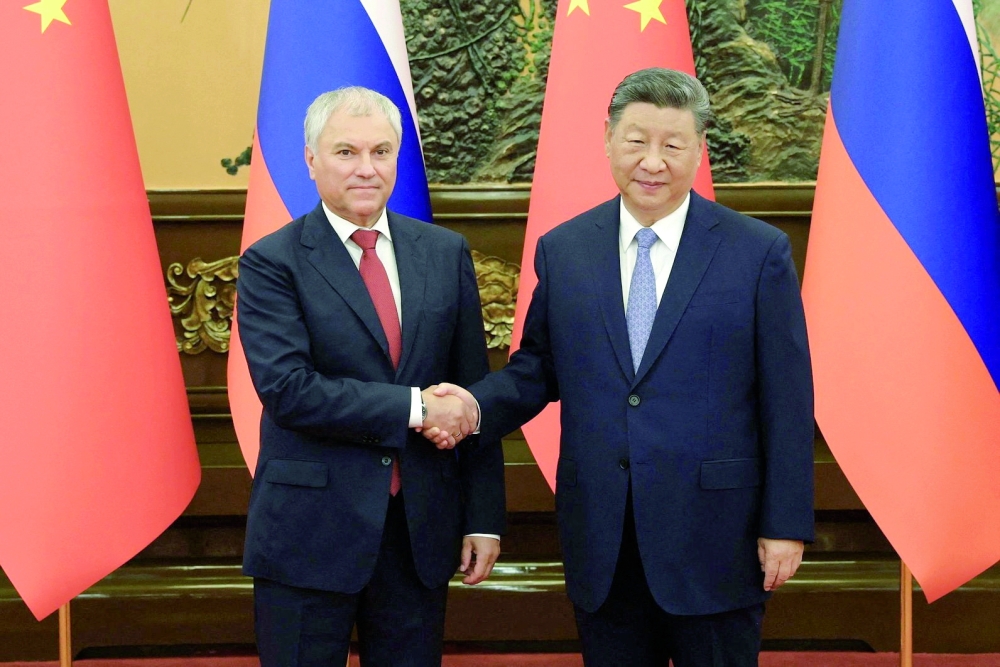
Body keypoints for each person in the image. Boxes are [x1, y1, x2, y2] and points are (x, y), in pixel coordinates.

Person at [425, 68, 814, 666]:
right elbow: (537, 371)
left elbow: (787, 399)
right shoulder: (565, 249)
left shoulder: (757, 252)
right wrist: (471, 406)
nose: (652, 161)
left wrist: (785, 523)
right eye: (636, 141)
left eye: (673, 145)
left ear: (699, 150)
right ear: (608, 140)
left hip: (716, 534)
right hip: (603, 533)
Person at [236, 86, 505, 667]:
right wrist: (415, 408)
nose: (366, 169)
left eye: (382, 151)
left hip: (418, 533)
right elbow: (289, 390)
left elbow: (471, 392)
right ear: (310, 160)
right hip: (310, 533)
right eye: (346, 152)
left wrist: (484, 518)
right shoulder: (271, 261)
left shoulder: (444, 252)